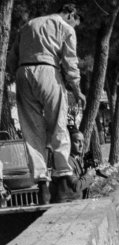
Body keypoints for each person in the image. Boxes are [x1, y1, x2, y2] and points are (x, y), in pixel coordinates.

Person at [6, 3, 86, 184]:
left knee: (31, 129)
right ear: (71, 14)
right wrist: (77, 90)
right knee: (58, 122)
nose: (74, 28)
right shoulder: (65, 28)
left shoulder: (28, 25)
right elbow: (70, 62)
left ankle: (41, 180)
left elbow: (12, 58)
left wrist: (18, 74)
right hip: (48, 71)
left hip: (23, 73)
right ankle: (64, 173)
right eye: (75, 24)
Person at [50, 128, 95, 203]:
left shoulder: (75, 159)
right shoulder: (66, 161)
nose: (81, 145)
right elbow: (76, 186)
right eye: (77, 141)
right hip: (66, 205)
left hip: (74, 203)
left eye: (82, 142)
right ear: (69, 143)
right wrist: (89, 175)